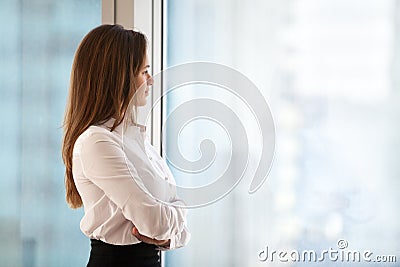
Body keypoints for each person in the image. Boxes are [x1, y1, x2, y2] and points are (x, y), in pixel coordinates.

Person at [62, 24, 190, 267]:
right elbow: (155, 222)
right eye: (144, 72)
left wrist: (169, 228)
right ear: (119, 77)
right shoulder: (97, 142)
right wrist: (178, 213)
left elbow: (177, 231)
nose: (150, 80)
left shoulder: (136, 141)